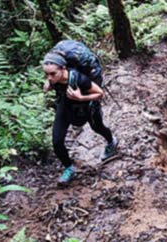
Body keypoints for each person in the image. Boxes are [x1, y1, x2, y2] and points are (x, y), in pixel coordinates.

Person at [42, 48, 118, 186]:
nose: (49, 78)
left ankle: (111, 142)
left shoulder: (78, 78)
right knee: (57, 141)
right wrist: (49, 85)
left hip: (87, 107)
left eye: (53, 74)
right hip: (64, 107)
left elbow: (99, 93)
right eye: (46, 74)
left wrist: (81, 97)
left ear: (63, 69)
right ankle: (69, 168)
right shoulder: (54, 80)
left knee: (98, 127)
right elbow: (50, 84)